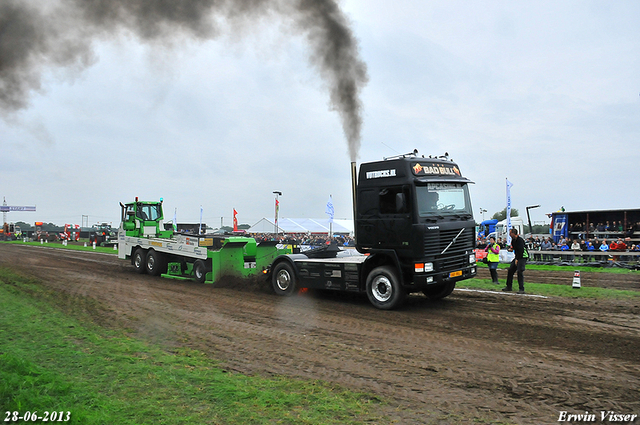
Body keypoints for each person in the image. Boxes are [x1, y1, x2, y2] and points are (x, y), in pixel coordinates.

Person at [503, 228, 528, 294]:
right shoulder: (513, 240)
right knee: (510, 270)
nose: (509, 234)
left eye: (510, 233)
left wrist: (517, 259)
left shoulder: (520, 240)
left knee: (519, 271)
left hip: (523, 257)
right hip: (518, 257)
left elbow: (521, 251)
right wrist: (511, 249)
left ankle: (521, 289)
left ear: (513, 233)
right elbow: (514, 248)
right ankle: (509, 286)